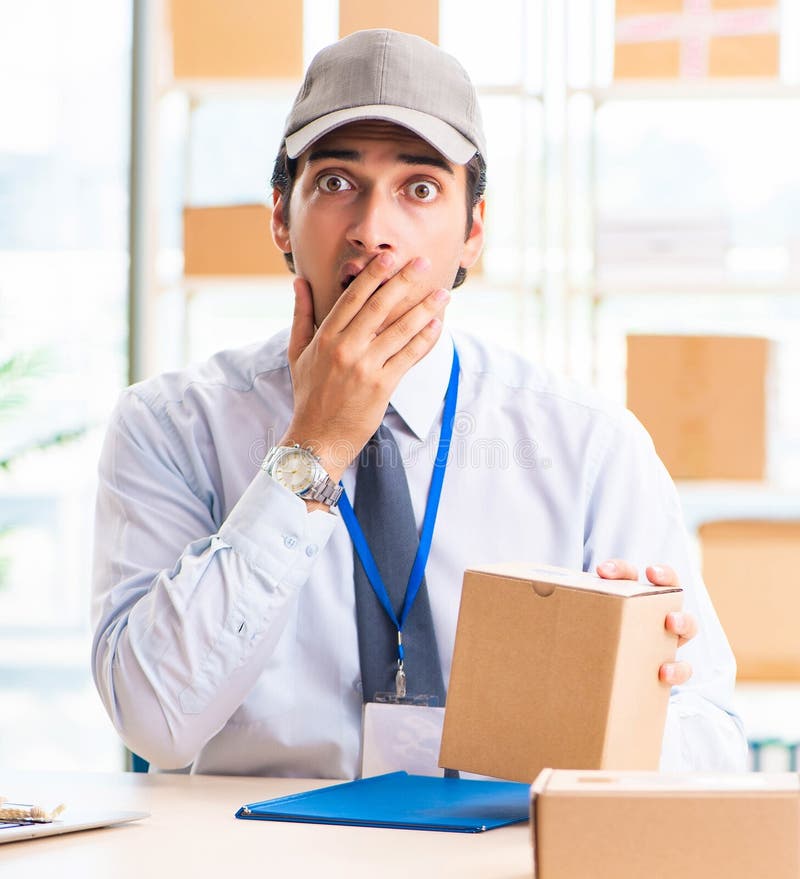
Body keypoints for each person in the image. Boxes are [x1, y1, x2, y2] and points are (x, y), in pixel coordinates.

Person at [91, 29, 747, 777]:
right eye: (336, 183)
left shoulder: (589, 444)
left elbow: (716, 743)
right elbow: (153, 723)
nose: (373, 231)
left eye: (421, 188)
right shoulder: (169, 427)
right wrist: (313, 449)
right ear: (281, 215)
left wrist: (617, 695)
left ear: (472, 232)